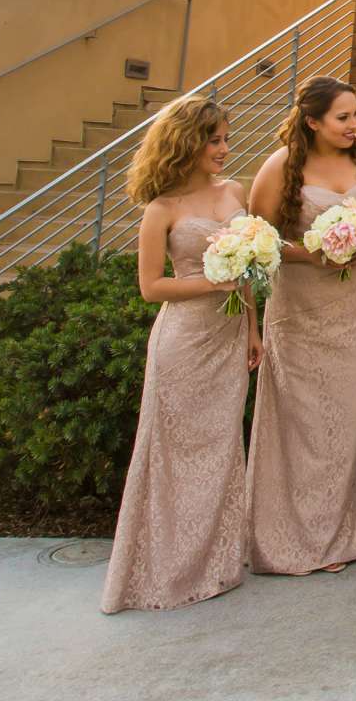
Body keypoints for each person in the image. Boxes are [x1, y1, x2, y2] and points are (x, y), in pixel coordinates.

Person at [244, 77, 356, 575]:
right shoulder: (279, 169)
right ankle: (296, 535)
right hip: (302, 309)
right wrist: (313, 254)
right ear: (312, 121)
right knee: (304, 420)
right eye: (343, 118)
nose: (354, 125)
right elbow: (259, 241)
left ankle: (347, 534)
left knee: (351, 411)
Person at [101, 94, 257, 613]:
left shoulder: (235, 190)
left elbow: (252, 267)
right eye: (214, 140)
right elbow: (151, 286)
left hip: (231, 337)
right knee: (173, 452)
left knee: (220, 448)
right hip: (184, 342)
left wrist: (254, 329)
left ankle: (215, 565)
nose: (223, 148)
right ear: (187, 143)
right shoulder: (161, 209)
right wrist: (214, 283)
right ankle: (167, 568)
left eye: (225, 139)